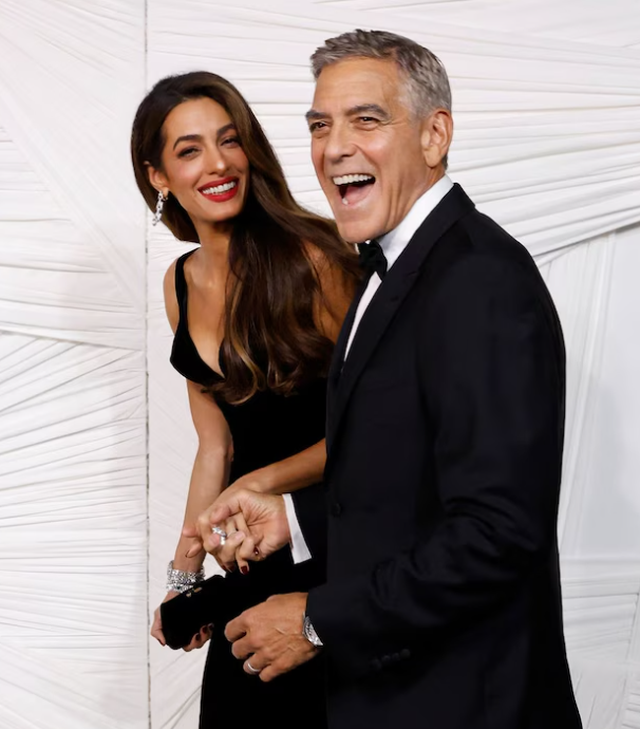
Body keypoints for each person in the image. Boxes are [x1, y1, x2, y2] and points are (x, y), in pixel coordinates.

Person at [195, 30, 584, 729]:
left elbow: (496, 533)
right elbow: (409, 480)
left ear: (435, 135)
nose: (334, 147)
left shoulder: (480, 278)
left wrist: (316, 619)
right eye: (320, 125)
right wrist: (296, 521)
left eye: (366, 120)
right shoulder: (393, 265)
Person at [130, 71, 359, 728]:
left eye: (229, 140)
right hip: (250, 559)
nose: (218, 163)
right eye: (190, 149)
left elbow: (374, 428)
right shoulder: (179, 282)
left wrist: (261, 483)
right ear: (158, 175)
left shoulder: (317, 258)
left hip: (334, 546)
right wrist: (183, 577)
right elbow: (216, 444)